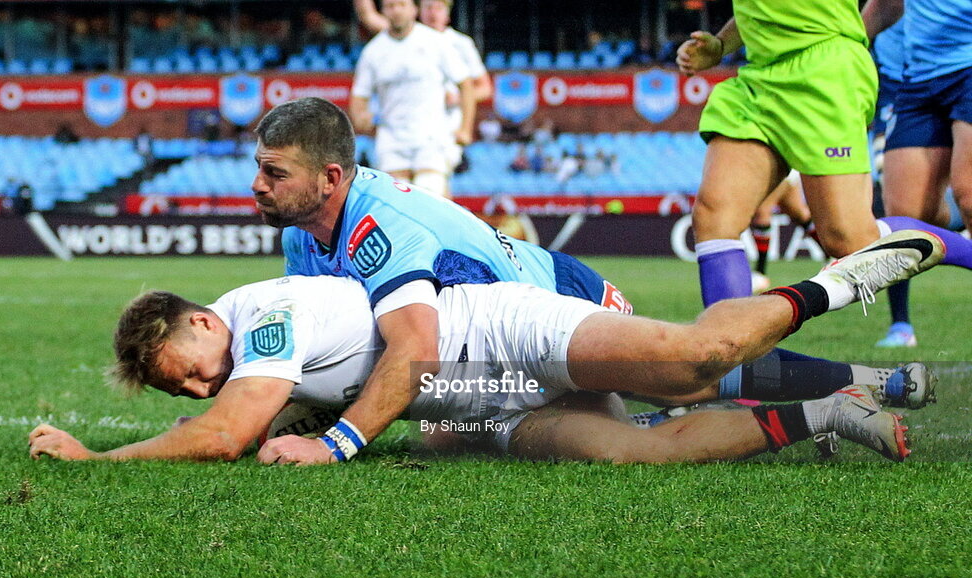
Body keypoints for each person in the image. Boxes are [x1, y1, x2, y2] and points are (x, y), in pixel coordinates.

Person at [254, 98, 936, 463]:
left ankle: (856, 330)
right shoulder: (300, 237)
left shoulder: (382, 220)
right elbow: (331, 353)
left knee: (685, 374)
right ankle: (846, 398)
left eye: (274, 173)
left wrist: (335, 442)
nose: (256, 187)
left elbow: (407, 349)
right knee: (608, 431)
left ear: (331, 177)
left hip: (552, 301)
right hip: (485, 370)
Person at [27, 228, 945, 466]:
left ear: (197, 322)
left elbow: (225, 433)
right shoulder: (243, 341)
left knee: (689, 361)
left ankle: (837, 283)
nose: (192, 391)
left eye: (179, 373)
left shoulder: (261, 312)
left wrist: (94, 456)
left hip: (494, 329)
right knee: (631, 453)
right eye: (176, 390)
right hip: (476, 397)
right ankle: (830, 411)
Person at [676, 2, 884, 308]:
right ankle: (730, 349)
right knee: (714, 215)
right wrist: (722, 44)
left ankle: (954, 246)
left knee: (848, 239)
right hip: (761, 77)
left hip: (824, 70)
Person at [863, 0, 972, 348]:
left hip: (969, 69)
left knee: (968, 192)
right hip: (918, 82)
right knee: (905, 218)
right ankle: (900, 327)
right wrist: (848, 44)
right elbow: (886, 5)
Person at [348, 0, 475, 198]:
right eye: (390, 6)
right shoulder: (372, 51)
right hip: (391, 140)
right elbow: (359, 96)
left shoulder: (436, 42)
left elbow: (466, 84)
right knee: (396, 203)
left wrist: (465, 128)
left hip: (432, 138)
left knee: (432, 198)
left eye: (401, 5)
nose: (396, 11)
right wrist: (361, 117)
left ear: (414, 9)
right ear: (383, 11)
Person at [749, 170, 813, 293]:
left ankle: (760, 273)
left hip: (777, 165)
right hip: (787, 168)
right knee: (798, 213)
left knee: (762, 211)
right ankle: (832, 257)